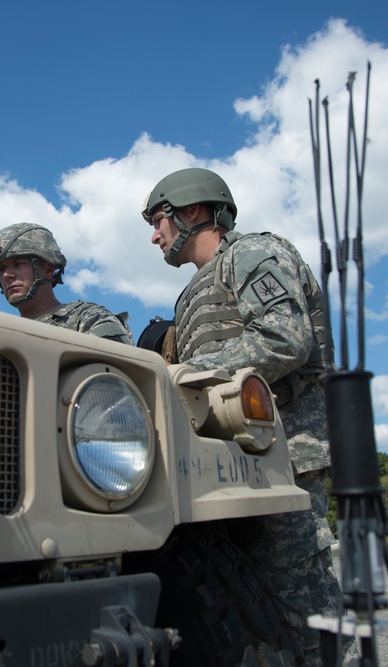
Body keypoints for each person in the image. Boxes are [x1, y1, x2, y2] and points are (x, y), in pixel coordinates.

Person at [141, 167, 351, 665]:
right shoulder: (191, 293)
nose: (154, 236)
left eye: (158, 221)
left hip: (286, 454)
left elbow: (285, 339)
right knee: (248, 604)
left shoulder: (253, 253)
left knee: (301, 602)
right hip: (229, 463)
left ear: (192, 211)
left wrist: (178, 373)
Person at [0, 222, 133, 344]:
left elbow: (112, 374)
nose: (6, 275)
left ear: (48, 270)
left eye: (18, 264)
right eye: (1, 269)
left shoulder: (87, 318)